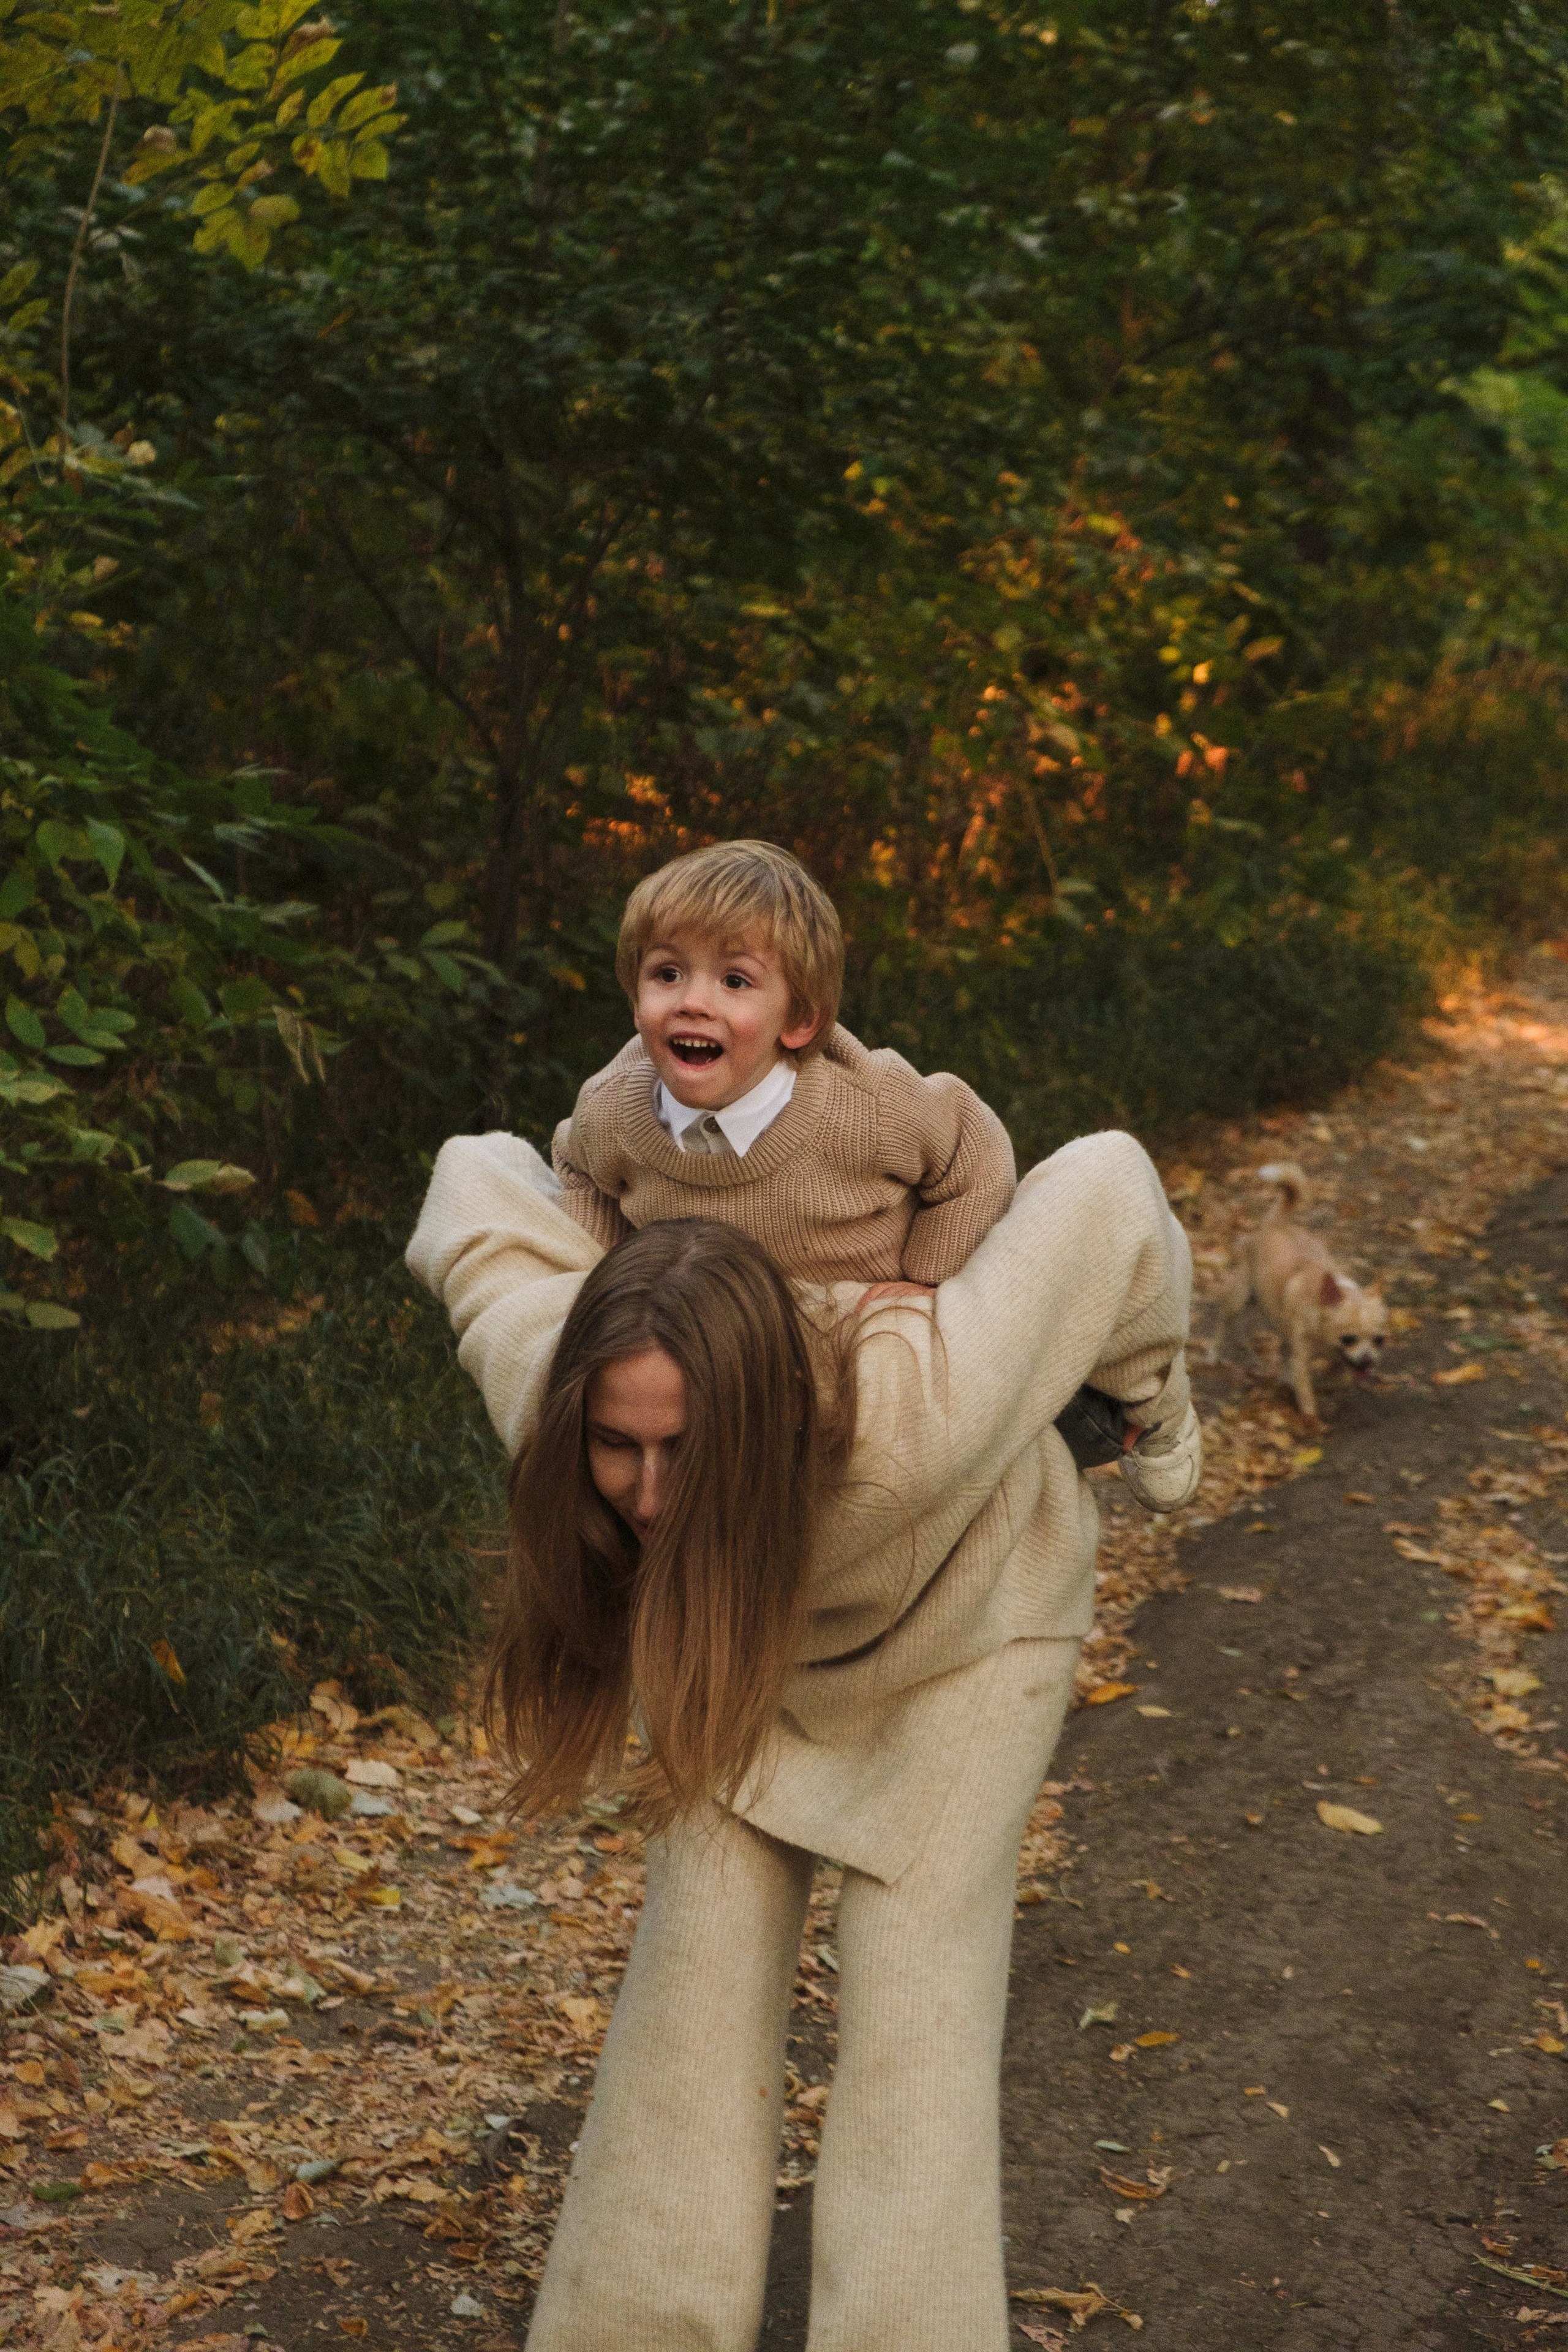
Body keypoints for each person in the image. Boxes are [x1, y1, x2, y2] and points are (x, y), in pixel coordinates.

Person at [407, 1117, 1197, 2350]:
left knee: (912, 1999)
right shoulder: (551, 1379)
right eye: (619, 1446)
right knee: (695, 1975)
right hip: (749, 1639)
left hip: (971, 1637)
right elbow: (470, 1177)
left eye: (686, 1448)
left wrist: (1148, 1383)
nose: (650, 1491)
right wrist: (595, 1148)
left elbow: (1107, 1182)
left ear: (767, 1415)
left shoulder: (916, 1406)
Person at [552, 836, 1194, 1507]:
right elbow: (575, 1163)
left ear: (799, 1020)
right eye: (667, 975)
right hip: (763, 1345)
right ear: (635, 996)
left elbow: (972, 1152)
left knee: (1061, 1404)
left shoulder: (864, 1104)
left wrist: (925, 1280)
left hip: (895, 1315)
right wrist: (611, 1271)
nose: (692, 1002)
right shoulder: (614, 1110)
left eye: (734, 981)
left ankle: (1154, 1409)